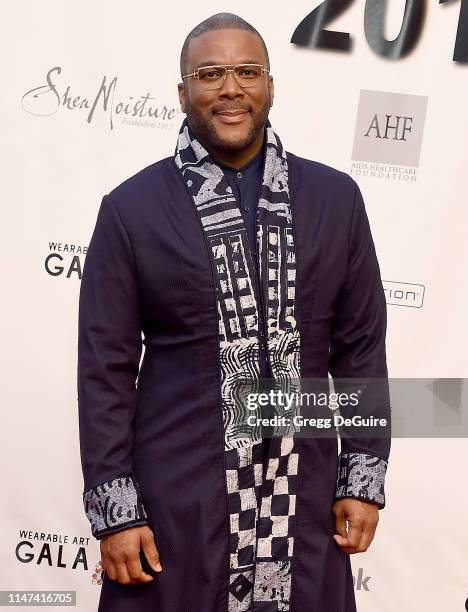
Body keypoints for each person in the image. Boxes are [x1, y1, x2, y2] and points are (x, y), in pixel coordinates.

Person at [77, 12, 391, 612]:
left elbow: (361, 350)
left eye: (248, 72)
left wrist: (363, 476)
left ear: (270, 86)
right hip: (178, 501)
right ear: (182, 92)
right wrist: (116, 513)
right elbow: (104, 370)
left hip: (304, 497)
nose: (231, 88)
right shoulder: (131, 209)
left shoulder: (335, 200)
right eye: (210, 73)